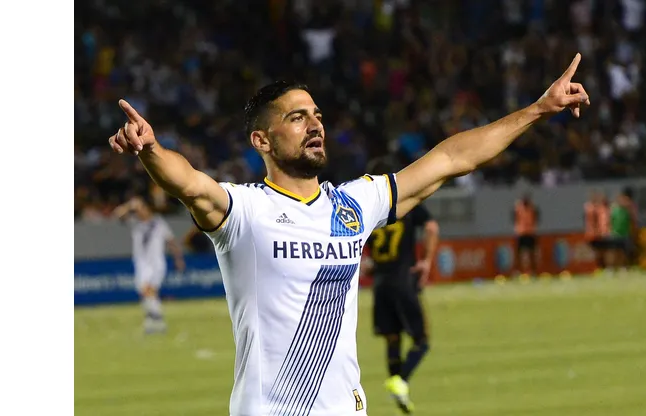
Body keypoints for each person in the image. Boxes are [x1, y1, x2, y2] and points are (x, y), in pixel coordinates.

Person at [107, 53, 589, 416]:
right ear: (261, 141)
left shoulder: (354, 204)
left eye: (316, 114)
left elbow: (450, 159)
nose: (314, 124)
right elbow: (189, 183)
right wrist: (150, 150)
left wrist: (538, 110)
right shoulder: (246, 211)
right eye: (296, 117)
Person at [360, 157, 439, 414]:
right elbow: (431, 227)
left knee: (392, 338)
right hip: (403, 279)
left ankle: (398, 386)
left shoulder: (367, 208)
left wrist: (367, 262)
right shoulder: (405, 202)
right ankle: (401, 379)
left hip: (380, 283)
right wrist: (426, 261)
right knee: (421, 341)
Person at [112, 196, 185, 333]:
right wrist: (129, 205)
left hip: (156, 263)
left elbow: (171, 241)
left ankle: (155, 321)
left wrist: (178, 259)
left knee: (149, 290)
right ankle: (155, 321)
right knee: (146, 292)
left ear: (147, 208)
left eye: (141, 208)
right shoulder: (135, 223)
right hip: (141, 264)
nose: (139, 212)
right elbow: (117, 215)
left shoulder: (158, 223)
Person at [608, 187, 638, 274]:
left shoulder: (629, 207)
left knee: (624, 252)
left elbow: (633, 220)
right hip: (615, 232)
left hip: (625, 233)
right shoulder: (614, 207)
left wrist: (634, 232)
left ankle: (623, 268)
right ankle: (611, 269)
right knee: (613, 252)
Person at [512, 193, 540, 278]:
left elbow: (536, 218)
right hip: (521, 233)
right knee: (519, 254)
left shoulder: (533, 208)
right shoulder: (517, 208)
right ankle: (517, 271)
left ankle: (533, 271)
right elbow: (514, 219)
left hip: (530, 232)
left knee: (532, 253)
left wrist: (534, 228)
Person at [584, 190, 611, 273]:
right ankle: (600, 268)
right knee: (599, 253)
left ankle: (604, 268)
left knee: (603, 252)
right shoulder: (591, 208)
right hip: (594, 234)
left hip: (599, 234)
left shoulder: (599, 208)